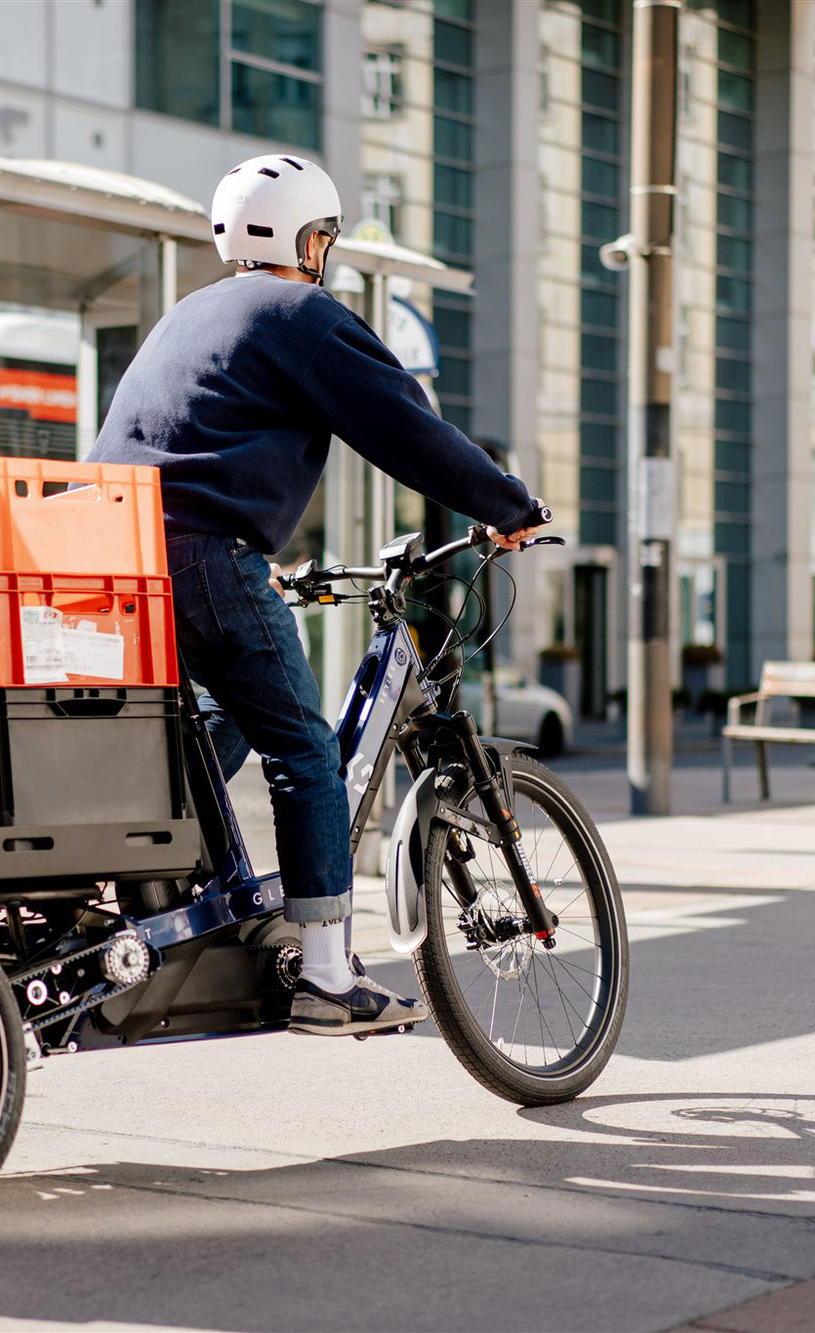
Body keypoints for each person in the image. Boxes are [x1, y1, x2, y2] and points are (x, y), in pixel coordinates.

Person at [91, 154, 546, 1036]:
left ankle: (154, 891)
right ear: (305, 238)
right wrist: (507, 505)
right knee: (305, 750)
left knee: (216, 722)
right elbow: (403, 424)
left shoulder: (190, 313)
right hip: (202, 554)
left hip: (117, 554)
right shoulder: (298, 312)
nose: (325, 252)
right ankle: (327, 973)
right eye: (324, 236)